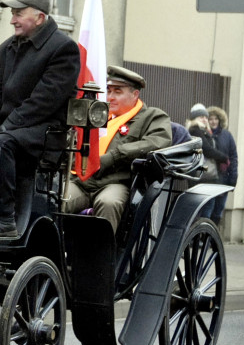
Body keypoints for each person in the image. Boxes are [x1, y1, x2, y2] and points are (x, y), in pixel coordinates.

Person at [0, 0, 80, 239]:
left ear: (39, 18)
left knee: (1, 144)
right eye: (12, 13)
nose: (12, 20)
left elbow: (44, 102)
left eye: (18, 14)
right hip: (12, 126)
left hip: (45, 131)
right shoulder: (9, 47)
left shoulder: (63, 49)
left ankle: (4, 220)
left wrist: (5, 127)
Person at [64, 66, 172, 234]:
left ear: (135, 94)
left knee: (109, 203)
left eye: (117, 92)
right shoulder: (96, 113)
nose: (111, 97)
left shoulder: (152, 117)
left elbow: (157, 142)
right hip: (81, 180)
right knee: (57, 200)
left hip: (115, 183)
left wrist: (114, 156)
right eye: (108, 91)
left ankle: (100, 258)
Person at [207, 105, 238, 223]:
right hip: (209, 179)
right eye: (210, 119)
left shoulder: (227, 135)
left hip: (223, 180)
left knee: (218, 211)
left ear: (220, 120)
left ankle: (211, 240)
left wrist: (233, 178)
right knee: (207, 211)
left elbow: (233, 157)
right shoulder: (205, 134)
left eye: (215, 119)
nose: (213, 121)